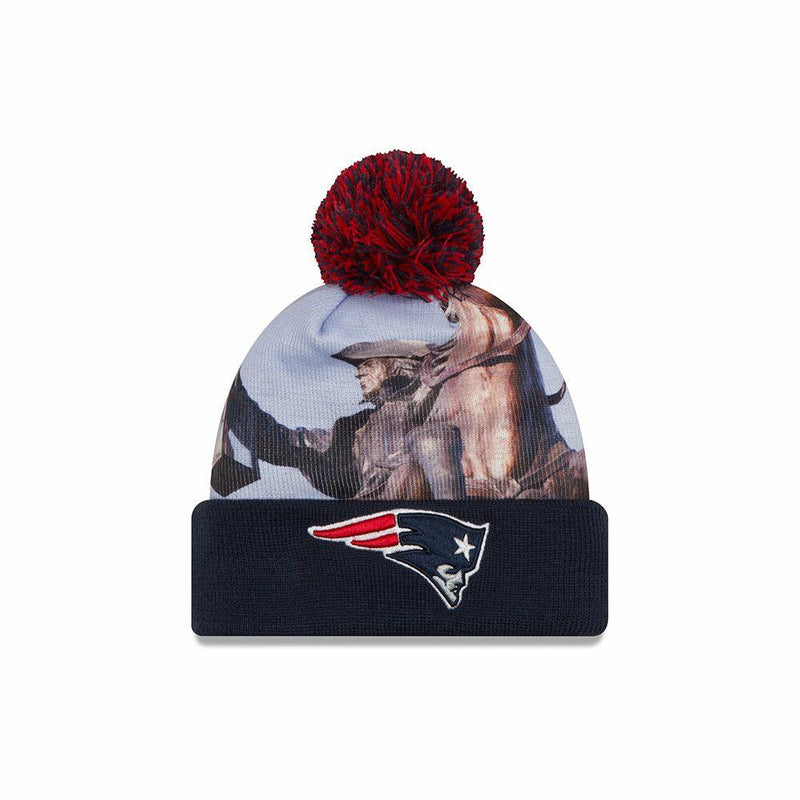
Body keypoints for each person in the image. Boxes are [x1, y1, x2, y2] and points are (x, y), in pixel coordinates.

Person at [211, 340, 466, 500]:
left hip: (432, 512)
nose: (358, 373)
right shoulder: (352, 428)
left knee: (433, 438)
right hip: (370, 518)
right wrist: (238, 401)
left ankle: (454, 524)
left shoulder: (436, 397)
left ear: (396, 365)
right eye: (358, 368)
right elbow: (282, 443)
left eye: (367, 364)